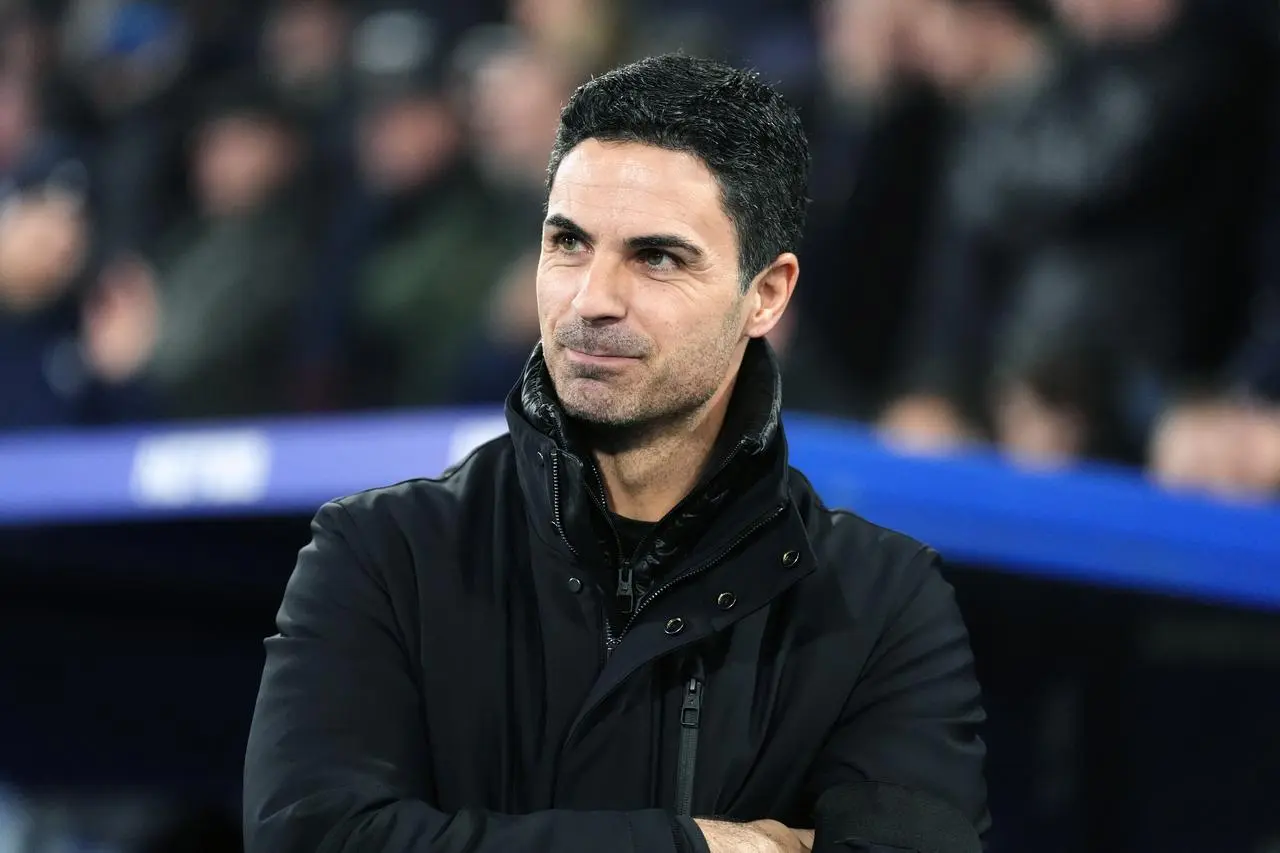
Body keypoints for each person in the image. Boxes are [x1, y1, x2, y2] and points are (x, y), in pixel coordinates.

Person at [243, 54, 989, 853]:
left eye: (657, 257)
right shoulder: (379, 554)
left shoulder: (884, 602)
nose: (591, 299)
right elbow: (314, 840)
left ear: (766, 294)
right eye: (567, 242)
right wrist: (695, 847)